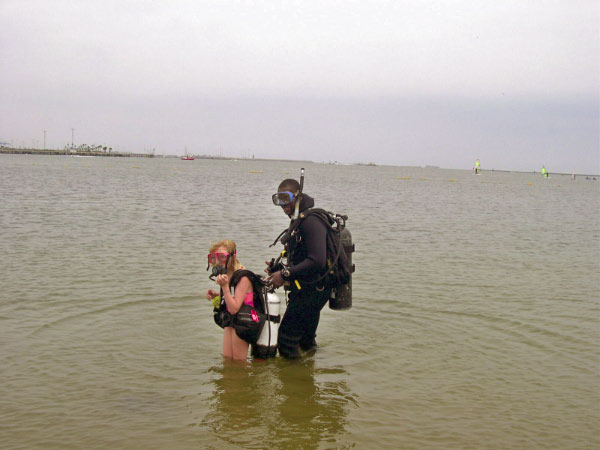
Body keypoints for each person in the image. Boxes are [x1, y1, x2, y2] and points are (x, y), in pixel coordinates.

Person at [267, 178, 330, 359]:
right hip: (313, 287)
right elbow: (304, 258)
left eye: (286, 198)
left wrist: (285, 274)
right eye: (278, 200)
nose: (282, 205)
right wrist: (279, 269)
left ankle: (294, 384)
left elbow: (317, 260)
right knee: (305, 340)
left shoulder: (310, 221)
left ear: (298, 195)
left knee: (286, 340)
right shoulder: (300, 220)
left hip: (313, 290)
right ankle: (308, 378)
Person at [206, 240, 255, 360]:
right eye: (214, 257)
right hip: (231, 321)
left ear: (233, 257)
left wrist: (224, 286)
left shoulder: (243, 277)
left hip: (243, 322)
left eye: (222, 256)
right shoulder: (228, 274)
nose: (218, 261)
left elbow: (234, 308)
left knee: (239, 364)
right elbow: (232, 298)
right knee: (227, 360)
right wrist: (217, 296)